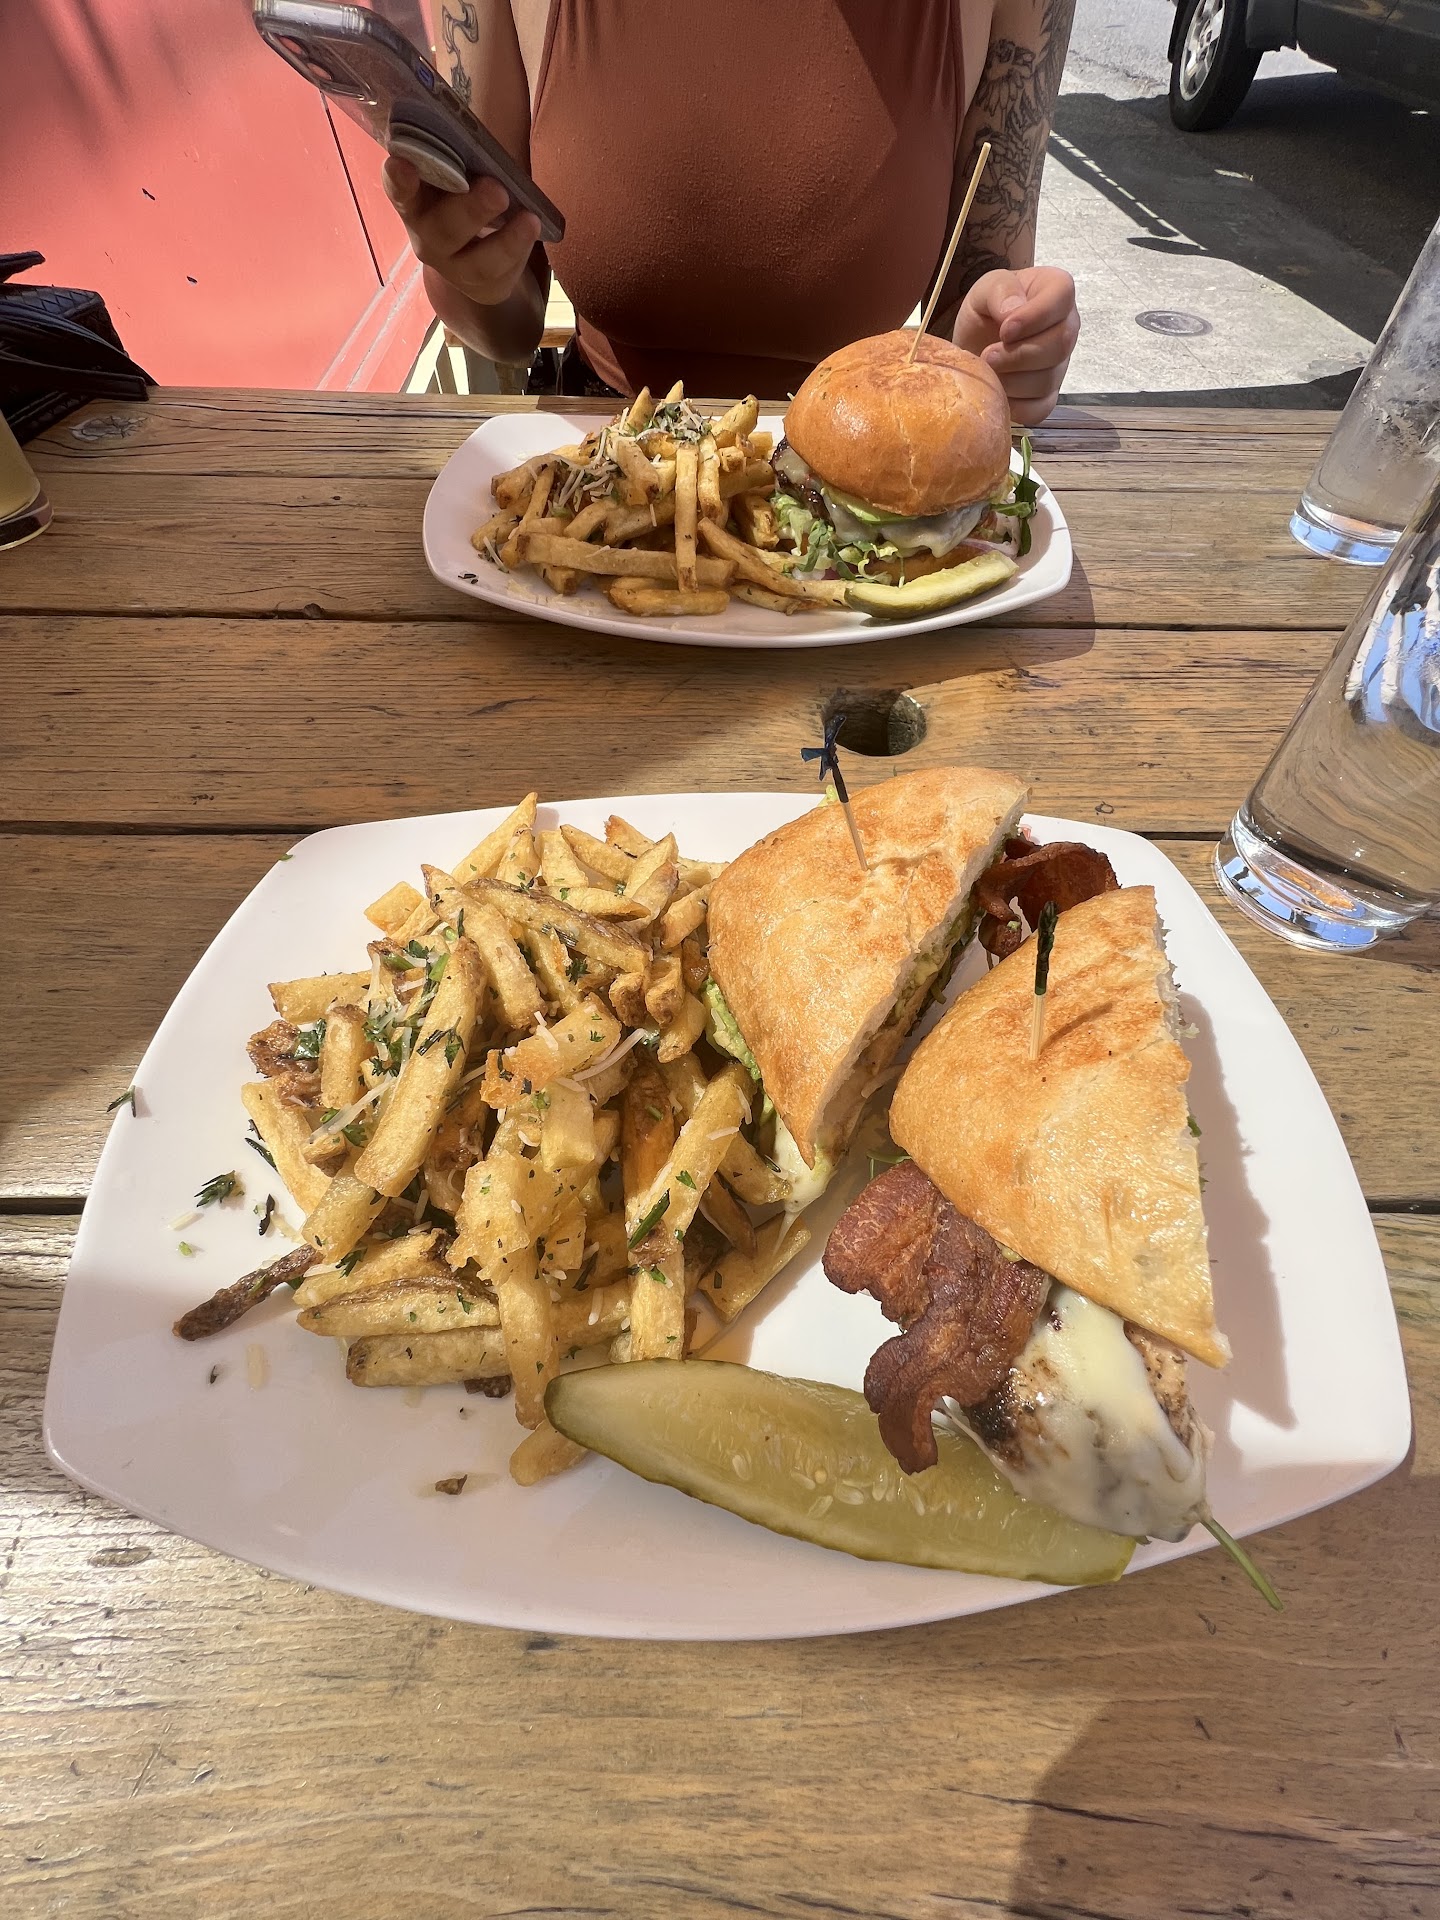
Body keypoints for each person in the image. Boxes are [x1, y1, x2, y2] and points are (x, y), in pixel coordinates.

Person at [385, 1, 1080, 425]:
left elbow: (974, 298)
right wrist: (468, 271)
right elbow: (508, 326)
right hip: (591, 485)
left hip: (862, 496)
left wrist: (999, 346)